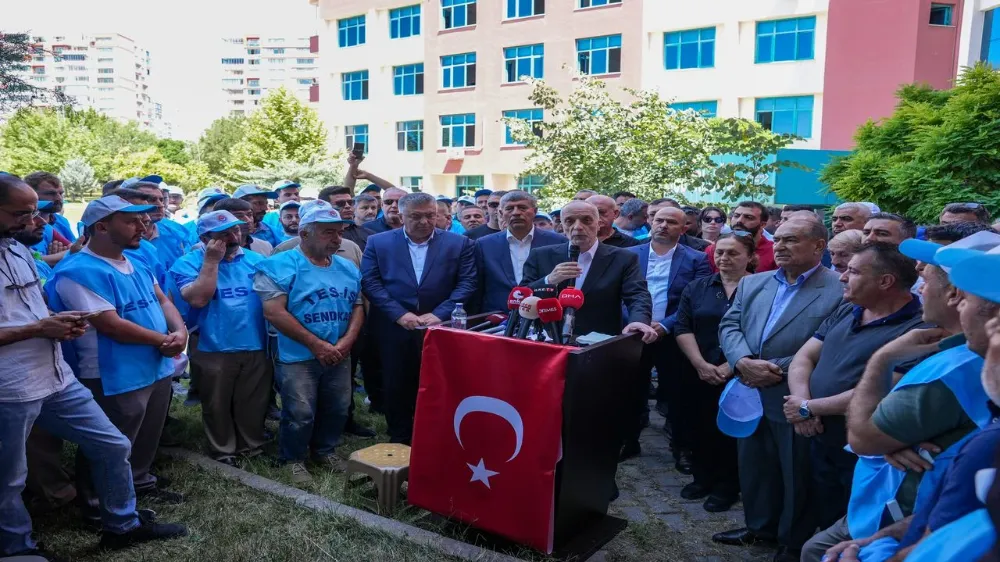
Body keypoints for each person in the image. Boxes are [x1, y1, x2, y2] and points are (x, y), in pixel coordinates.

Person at [0, 176, 188, 560]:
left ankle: (121, 525)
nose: (36, 221)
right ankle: (16, 548)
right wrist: (39, 328)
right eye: (21, 213)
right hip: (11, 385)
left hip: (54, 375)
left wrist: (54, 320)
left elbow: (29, 308)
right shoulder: (80, 267)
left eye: (34, 212)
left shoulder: (17, 251)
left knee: (112, 444)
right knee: (10, 475)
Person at [800, 231, 1000, 561]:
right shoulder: (944, 349)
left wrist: (882, 360)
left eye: (926, 278)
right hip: (894, 513)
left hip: (892, 509)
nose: (920, 289)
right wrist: (894, 437)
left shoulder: (955, 368)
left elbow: (865, 438)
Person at [47, 195, 189, 516]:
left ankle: (138, 481)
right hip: (112, 372)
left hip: (154, 363)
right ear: (101, 227)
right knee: (111, 439)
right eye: (131, 221)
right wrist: (165, 339)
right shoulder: (78, 271)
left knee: (146, 433)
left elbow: (162, 300)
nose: (143, 226)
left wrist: (179, 331)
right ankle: (97, 501)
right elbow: (110, 325)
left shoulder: (135, 261)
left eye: (143, 219)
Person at [715, 219, 845, 562]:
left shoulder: (838, 287)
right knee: (755, 466)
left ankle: (792, 540)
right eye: (779, 239)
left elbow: (830, 343)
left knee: (796, 472)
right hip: (749, 388)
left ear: (819, 246)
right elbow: (729, 325)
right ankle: (760, 528)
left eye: (792, 240)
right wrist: (742, 361)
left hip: (794, 393)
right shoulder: (753, 282)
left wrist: (770, 368)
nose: (781, 246)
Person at [783, 243, 925, 534]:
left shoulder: (918, 329)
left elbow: (883, 389)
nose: (843, 277)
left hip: (864, 451)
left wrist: (807, 408)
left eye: (854, 271)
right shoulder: (849, 308)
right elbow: (804, 357)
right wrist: (801, 401)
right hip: (818, 435)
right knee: (823, 513)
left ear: (885, 281)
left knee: (854, 527)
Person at [254, 203, 364, 483]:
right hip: (297, 354)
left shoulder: (347, 267)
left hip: (339, 351)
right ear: (304, 233)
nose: (337, 239)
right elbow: (274, 312)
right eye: (329, 232)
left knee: (338, 406)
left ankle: (325, 450)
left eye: (339, 232)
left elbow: (358, 305)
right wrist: (317, 345)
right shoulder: (278, 265)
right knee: (300, 411)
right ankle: (292, 458)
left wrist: (347, 341)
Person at [361, 192, 476, 444]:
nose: (424, 221)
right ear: (401, 216)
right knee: (396, 381)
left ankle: (436, 434)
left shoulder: (459, 243)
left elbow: (467, 283)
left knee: (439, 381)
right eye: (416, 216)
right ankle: (400, 436)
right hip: (394, 325)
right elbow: (371, 282)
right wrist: (399, 314)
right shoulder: (378, 242)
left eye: (430, 215)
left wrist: (439, 314)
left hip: (440, 325)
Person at [169, 211, 269, 465]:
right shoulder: (187, 263)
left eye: (235, 230)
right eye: (223, 234)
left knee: (253, 399)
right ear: (205, 238)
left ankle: (251, 445)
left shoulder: (257, 260)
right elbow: (198, 298)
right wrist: (212, 261)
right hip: (212, 343)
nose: (233, 237)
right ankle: (223, 449)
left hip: (255, 340)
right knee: (216, 402)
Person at [621, 207, 710, 467]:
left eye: (671, 222)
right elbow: (620, 294)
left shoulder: (697, 259)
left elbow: (694, 300)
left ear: (684, 228)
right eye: (659, 220)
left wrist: (664, 326)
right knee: (630, 390)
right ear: (650, 221)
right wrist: (638, 322)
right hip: (634, 334)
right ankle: (629, 440)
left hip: (673, 336)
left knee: (678, 393)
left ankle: (681, 447)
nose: (663, 225)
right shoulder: (628, 255)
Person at [674, 233, 756, 512]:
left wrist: (731, 365)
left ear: (750, 256)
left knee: (730, 432)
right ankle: (702, 478)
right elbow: (683, 327)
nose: (724, 258)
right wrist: (699, 363)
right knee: (698, 425)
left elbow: (761, 332)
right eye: (719, 252)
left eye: (733, 253)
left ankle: (727, 486)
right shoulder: (698, 287)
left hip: (740, 373)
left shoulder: (761, 288)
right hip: (700, 369)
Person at [521, 201, 656, 341]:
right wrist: (549, 280)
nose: (578, 227)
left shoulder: (623, 258)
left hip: (600, 342)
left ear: (598, 224)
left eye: (586, 220)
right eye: (569, 221)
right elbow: (522, 295)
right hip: (549, 338)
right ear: (562, 226)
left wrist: (639, 321)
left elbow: (637, 295)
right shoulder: (540, 255)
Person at [473, 191, 566, 314]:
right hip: (497, 317)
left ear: (535, 211)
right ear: (501, 213)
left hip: (544, 314)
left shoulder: (557, 242)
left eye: (522, 208)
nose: (516, 212)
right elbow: (477, 286)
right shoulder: (484, 244)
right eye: (509, 208)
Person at [131, 180, 190, 271]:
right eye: (151, 200)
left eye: (161, 200)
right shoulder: (120, 239)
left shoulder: (175, 233)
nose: (160, 205)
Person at [706, 201, 777, 273]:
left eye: (749, 217)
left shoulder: (775, 251)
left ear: (762, 225)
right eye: (736, 216)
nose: (739, 221)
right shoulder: (714, 250)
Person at [24, 171, 76, 242]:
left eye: (61, 193)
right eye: (51, 193)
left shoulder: (62, 221)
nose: (59, 198)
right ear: (31, 195)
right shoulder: (25, 227)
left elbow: (75, 246)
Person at [317, 185, 372, 250]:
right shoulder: (317, 237)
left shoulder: (369, 234)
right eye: (340, 203)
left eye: (350, 202)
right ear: (324, 207)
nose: (347, 206)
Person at [233, 184, 281, 248]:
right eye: (258, 203)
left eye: (266, 203)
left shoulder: (273, 231)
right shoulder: (225, 233)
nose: (265, 208)